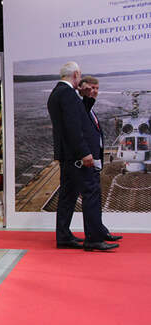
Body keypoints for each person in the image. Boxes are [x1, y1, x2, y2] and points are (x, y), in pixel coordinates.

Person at [47, 62, 118, 251]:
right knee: (91, 192)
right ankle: (94, 239)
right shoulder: (67, 94)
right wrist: (84, 152)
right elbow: (73, 127)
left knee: (67, 196)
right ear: (76, 74)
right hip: (77, 157)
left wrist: (85, 97)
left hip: (67, 155)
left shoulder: (57, 93)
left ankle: (63, 236)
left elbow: (77, 117)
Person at [78, 76, 123, 242]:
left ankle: (100, 231)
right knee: (91, 199)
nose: (94, 91)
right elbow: (79, 133)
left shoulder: (90, 109)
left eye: (96, 88)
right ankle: (93, 238)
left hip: (95, 160)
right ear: (83, 89)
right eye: (91, 88)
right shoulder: (82, 107)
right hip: (87, 160)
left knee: (96, 198)